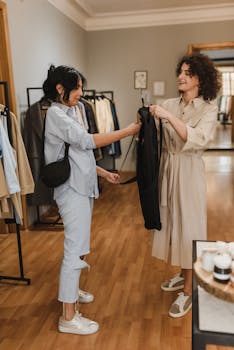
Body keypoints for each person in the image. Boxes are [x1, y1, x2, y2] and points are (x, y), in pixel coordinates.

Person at [42, 65, 141, 335]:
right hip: (70, 190)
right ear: (61, 89)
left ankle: (71, 292)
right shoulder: (55, 114)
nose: (81, 94)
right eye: (77, 88)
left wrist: (103, 172)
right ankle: (68, 317)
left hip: (83, 186)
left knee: (81, 245)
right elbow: (88, 142)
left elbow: (78, 155)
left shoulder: (73, 110)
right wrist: (129, 131)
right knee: (74, 250)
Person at [149, 53, 221, 318]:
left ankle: (189, 291)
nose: (180, 76)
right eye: (180, 71)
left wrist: (167, 116)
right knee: (173, 223)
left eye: (187, 73)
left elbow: (196, 138)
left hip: (190, 171)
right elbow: (154, 135)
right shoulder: (169, 103)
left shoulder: (208, 109)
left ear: (199, 79)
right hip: (168, 169)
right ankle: (182, 274)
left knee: (190, 227)